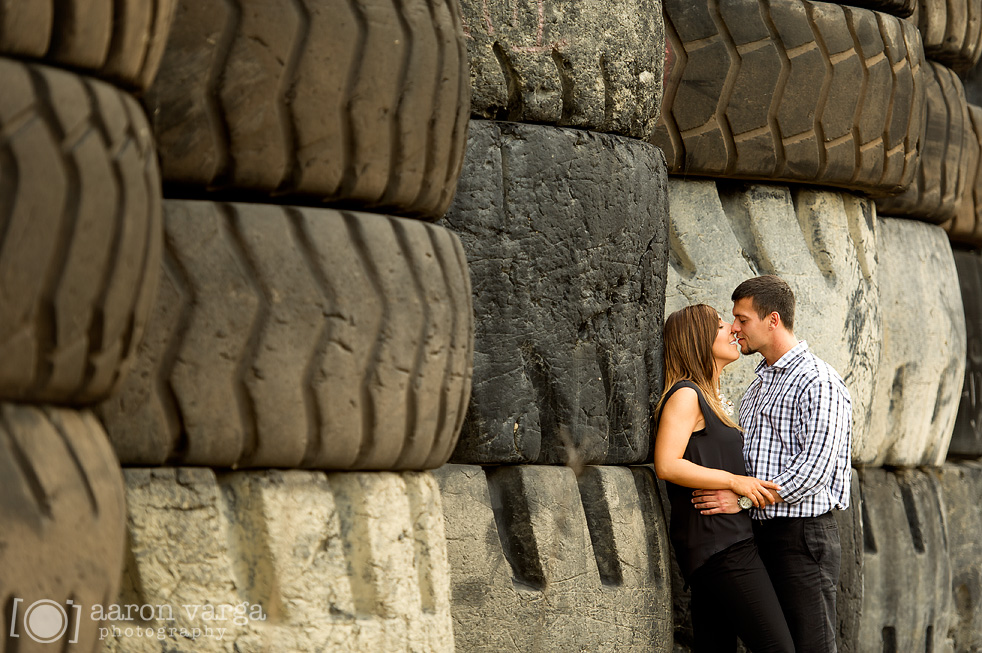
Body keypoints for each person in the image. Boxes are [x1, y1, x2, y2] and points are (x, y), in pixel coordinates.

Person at [692, 275, 852, 653]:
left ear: (773, 320)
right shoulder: (759, 383)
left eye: (742, 319)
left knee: (810, 645)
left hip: (801, 536)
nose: (735, 328)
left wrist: (743, 499)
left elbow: (814, 469)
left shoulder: (818, 381)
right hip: (757, 535)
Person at [654, 303, 794, 653]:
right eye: (721, 326)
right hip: (721, 547)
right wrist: (734, 481)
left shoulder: (712, 398)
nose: (733, 329)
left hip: (724, 543)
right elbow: (667, 465)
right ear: (699, 340)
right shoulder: (687, 395)